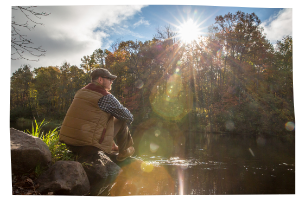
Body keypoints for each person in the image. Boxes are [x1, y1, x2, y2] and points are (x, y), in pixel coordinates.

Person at [59, 68, 135, 161]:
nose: (112, 82)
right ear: (100, 79)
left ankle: (112, 146)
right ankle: (124, 152)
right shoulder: (105, 96)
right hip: (88, 147)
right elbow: (127, 116)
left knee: (102, 118)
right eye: (109, 79)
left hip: (70, 144)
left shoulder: (80, 92)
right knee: (122, 118)